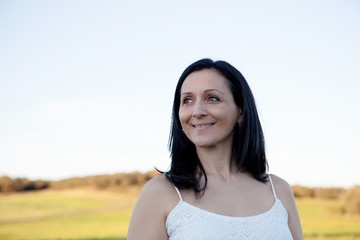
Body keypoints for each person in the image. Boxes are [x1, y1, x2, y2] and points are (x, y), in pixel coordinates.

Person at [127, 58, 303, 240]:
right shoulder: (160, 193)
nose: (197, 111)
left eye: (212, 98)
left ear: (240, 111)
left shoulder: (279, 191)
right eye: (187, 100)